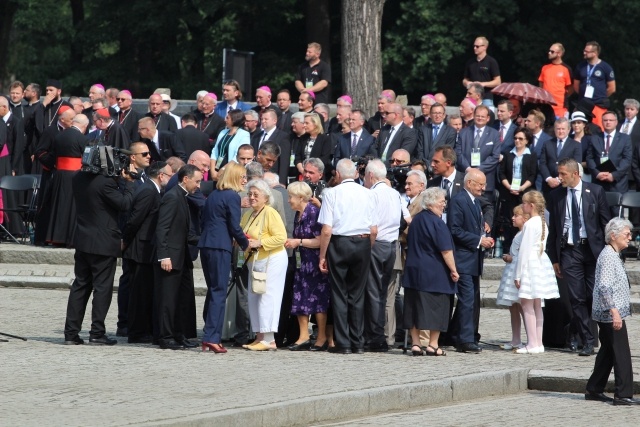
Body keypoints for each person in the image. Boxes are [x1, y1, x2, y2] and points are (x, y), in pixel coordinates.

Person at [63, 155, 137, 345]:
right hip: (103, 243)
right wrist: (127, 182)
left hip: (83, 239)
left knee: (80, 286)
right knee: (102, 289)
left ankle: (71, 333)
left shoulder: (78, 177)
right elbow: (124, 204)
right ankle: (97, 332)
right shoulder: (105, 183)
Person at [547, 158, 610, 356]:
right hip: (569, 251)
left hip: (592, 250)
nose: (560, 177)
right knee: (576, 298)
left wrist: (609, 252)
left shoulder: (595, 192)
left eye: (563, 174)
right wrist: (554, 259)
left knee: (592, 296)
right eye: (559, 173)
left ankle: (588, 332)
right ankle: (587, 340)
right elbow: (554, 230)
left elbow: (605, 223)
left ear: (576, 174)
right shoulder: (556, 195)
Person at [319, 159, 377, 354]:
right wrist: (367, 247)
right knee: (357, 294)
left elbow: (326, 229)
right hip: (362, 242)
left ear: (337, 174)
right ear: (355, 174)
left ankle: (343, 343)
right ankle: (358, 342)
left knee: (339, 293)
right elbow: (374, 229)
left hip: (339, 242)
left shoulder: (331, 193)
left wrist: (322, 255)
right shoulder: (368, 194)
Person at [585, 218, 640, 405]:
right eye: (627, 234)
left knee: (608, 351)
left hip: (609, 312)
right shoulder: (608, 256)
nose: (630, 237)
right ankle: (623, 394)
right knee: (621, 352)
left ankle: (594, 389)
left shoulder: (613, 254)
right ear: (613, 235)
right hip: (610, 314)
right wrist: (614, 312)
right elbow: (604, 287)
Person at [199, 163, 250, 353]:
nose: (245, 180)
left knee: (214, 290)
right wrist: (245, 244)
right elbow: (234, 226)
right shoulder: (232, 196)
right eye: (243, 176)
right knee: (219, 292)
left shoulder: (213, 195)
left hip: (207, 244)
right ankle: (212, 337)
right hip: (220, 246)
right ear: (235, 177)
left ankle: (209, 334)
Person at [403, 187, 459, 356]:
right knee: (438, 306)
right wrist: (454, 270)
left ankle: (415, 343)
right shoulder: (437, 223)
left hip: (414, 269)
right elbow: (446, 250)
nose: (444, 205)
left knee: (413, 306)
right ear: (432, 203)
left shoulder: (416, 219)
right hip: (434, 272)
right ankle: (433, 345)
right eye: (442, 202)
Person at [122, 161, 173, 344]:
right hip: (139, 249)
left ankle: (143, 329)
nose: (170, 177)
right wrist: (125, 241)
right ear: (161, 176)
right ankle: (136, 331)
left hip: (145, 248)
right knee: (139, 292)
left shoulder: (153, 190)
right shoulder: (148, 191)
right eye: (169, 174)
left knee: (144, 291)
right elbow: (135, 219)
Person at [155, 164, 203, 350]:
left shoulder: (182, 196)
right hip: (171, 257)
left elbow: (183, 231)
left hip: (182, 256)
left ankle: (178, 334)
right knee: (168, 299)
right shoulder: (172, 197)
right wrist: (164, 256)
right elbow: (162, 228)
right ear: (186, 179)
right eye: (197, 181)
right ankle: (166, 337)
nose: (199, 185)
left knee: (181, 299)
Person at [448, 169, 494, 353]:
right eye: (480, 184)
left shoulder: (475, 201)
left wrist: (484, 237)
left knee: (471, 300)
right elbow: (454, 229)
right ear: (469, 183)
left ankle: (461, 335)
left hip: (474, 259)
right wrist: (478, 240)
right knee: (467, 300)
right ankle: (465, 340)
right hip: (463, 259)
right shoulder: (459, 201)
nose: (484, 188)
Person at [284, 181, 332, 351]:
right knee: (299, 297)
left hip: (314, 261)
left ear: (301, 197)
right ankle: (303, 336)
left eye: (291, 197)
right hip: (301, 262)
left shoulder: (314, 213)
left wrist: (299, 241)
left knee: (317, 299)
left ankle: (321, 337)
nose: (288, 200)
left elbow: (320, 240)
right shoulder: (298, 214)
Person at [241, 179, 288, 351]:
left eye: (256, 195)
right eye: (250, 194)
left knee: (267, 296)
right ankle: (259, 336)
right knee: (255, 297)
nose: (251, 197)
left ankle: (269, 339)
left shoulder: (270, 213)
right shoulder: (248, 214)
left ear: (266, 198)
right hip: (255, 261)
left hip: (272, 259)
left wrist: (258, 242)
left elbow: (280, 238)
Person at [513, 191, 560, 354]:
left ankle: (532, 343)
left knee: (527, 305)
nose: (523, 205)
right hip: (539, 261)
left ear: (531, 205)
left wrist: (517, 274)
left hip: (530, 263)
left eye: (524, 203)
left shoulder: (530, 223)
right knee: (537, 305)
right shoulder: (541, 222)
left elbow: (524, 251)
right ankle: (538, 342)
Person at [364, 159, 402, 352]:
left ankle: (375, 336)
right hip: (391, 246)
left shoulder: (372, 194)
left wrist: (369, 247)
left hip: (377, 244)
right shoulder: (395, 194)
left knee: (373, 292)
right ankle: (378, 335)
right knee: (381, 292)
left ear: (370, 176)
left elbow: (372, 228)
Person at [44, 114, 90, 247]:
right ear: (84, 126)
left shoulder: (59, 135)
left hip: (59, 174)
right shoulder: (82, 138)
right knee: (72, 207)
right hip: (75, 175)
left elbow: (52, 155)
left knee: (59, 205)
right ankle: (70, 238)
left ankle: (55, 237)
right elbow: (86, 159)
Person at [495, 205, 529, 350]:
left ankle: (531, 338)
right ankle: (516, 339)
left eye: (516, 215)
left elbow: (523, 255)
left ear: (525, 218)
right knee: (513, 307)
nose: (513, 218)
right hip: (512, 271)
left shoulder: (525, 234)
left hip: (519, 272)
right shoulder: (518, 233)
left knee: (523, 307)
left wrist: (510, 258)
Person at [498, 127, 537, 252]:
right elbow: (502, 173)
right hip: (509, 191)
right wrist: (509, 186)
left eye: (520, 139)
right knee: (510, 220)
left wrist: (521, 188)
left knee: (524, 218)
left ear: (527, 141)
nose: (517, 141)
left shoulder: (531, 155)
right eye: (515, 138)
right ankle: (509, 248)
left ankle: (524, 247)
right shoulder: (508, 154)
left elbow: (533, 175)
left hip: (524, 192)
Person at [455, 105, 501, 202]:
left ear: (488, 118)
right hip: (465, 177)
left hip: (485, 180)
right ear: (474, 116)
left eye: (483, 116)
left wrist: (479, 170)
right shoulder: (464, 132)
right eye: (478, 116)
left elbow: (495, 156)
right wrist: (468, 168)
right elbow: (458, 153)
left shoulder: (494, 134)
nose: (480, 118)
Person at [574, 41, 616, 130]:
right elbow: (576, 86)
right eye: (584, 50)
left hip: (598, 105)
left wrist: (600, 97)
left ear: (595, 53)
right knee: (580, 129)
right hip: (582, 105)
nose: (584, 53)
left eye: (587, 51)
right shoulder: (580, 66)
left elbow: (612, 88)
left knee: (598, 130)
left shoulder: (606, 67)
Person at [209, 109, 250, 180]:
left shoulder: (244, 134)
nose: (225, 120)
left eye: (227, 118)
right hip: (216, 170)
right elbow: (215, 151)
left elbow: (239, 155)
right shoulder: (223, 132)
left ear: (234, 120)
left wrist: (224, 169)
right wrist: (212, 170)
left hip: (230, 172)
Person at [463, 36, 501, 107]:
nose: (474, 48)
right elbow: (465, 80)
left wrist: (482, 84)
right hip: (472, 97)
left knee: (486, 115)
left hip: (486, 97)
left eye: (477, 46)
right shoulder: (470, 62)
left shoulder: (491, 62)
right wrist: (468, 83)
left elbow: (498, 81)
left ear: (485, 47)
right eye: (474, 46)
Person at [538, 43, 573, 119]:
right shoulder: (545, 68)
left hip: (560, 108)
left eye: (552, 51)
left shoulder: (566, 69)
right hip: (545, 108)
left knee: (560, 129)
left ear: (559, 54)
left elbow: (571, 88)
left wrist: (564, 97)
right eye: (549, 51)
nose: (549, 53)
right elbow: (541, 85)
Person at [295, 113, 332, 179]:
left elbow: (324, 159)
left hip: (317, 176)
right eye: (304, 123)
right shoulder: (303, 138)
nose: (304, 125)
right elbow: (297, 157)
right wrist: (302, 170)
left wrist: (310, 171)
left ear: (315, 124)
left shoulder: (325, 139)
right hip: (302, 175)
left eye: (307, 123)